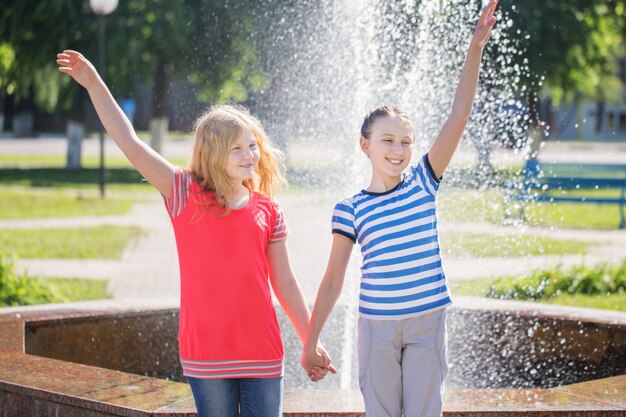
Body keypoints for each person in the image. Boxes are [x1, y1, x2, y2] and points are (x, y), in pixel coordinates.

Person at [56, 50, 335, 417]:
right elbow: (130, 142)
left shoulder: (268, 209)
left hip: (262, 350)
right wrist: (94, 83)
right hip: (207, 352)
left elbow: (284, 283)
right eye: (236, 148)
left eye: (252, 145)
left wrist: (309, 340)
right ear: (213, 154)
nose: (249, 155)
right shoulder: (183, 193)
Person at [301, 1, 499, 416]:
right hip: (376, 330)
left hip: (428, 322)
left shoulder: (425, 181)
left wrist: (475, 48)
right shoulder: (350, 208)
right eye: (388, 140)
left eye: (406, 141)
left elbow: (459, 114)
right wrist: (311, 341)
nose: (398, 150)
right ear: (365, 145)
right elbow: (333, 279)